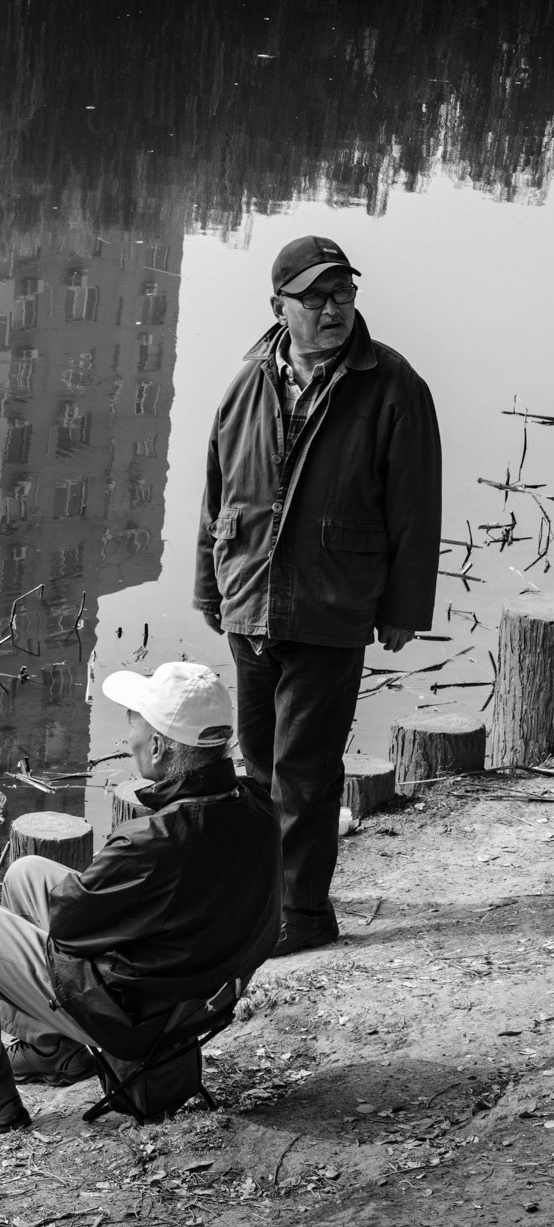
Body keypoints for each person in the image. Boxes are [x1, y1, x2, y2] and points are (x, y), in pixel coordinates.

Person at [194, 236, 442, 957]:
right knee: (258, 768)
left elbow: (415, 505)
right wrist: (210, 585)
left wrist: (401, 607)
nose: (333, 309)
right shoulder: (248, 381)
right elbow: (216, 495)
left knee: (305, 770)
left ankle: (302, 913)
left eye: (342, 295)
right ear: (280, 307)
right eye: (315, 298)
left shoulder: (393, 385)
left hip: (330, 605)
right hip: (250, 601)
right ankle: (264, 899)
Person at [0, 661, 281, 1134]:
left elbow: (66, 929)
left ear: (161, 748)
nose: (130, 738)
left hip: (125, 1011)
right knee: (25, 874)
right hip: (193, 995)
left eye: (134, 726)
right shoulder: (255, 805)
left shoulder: (156, 840)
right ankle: (51, 1050)